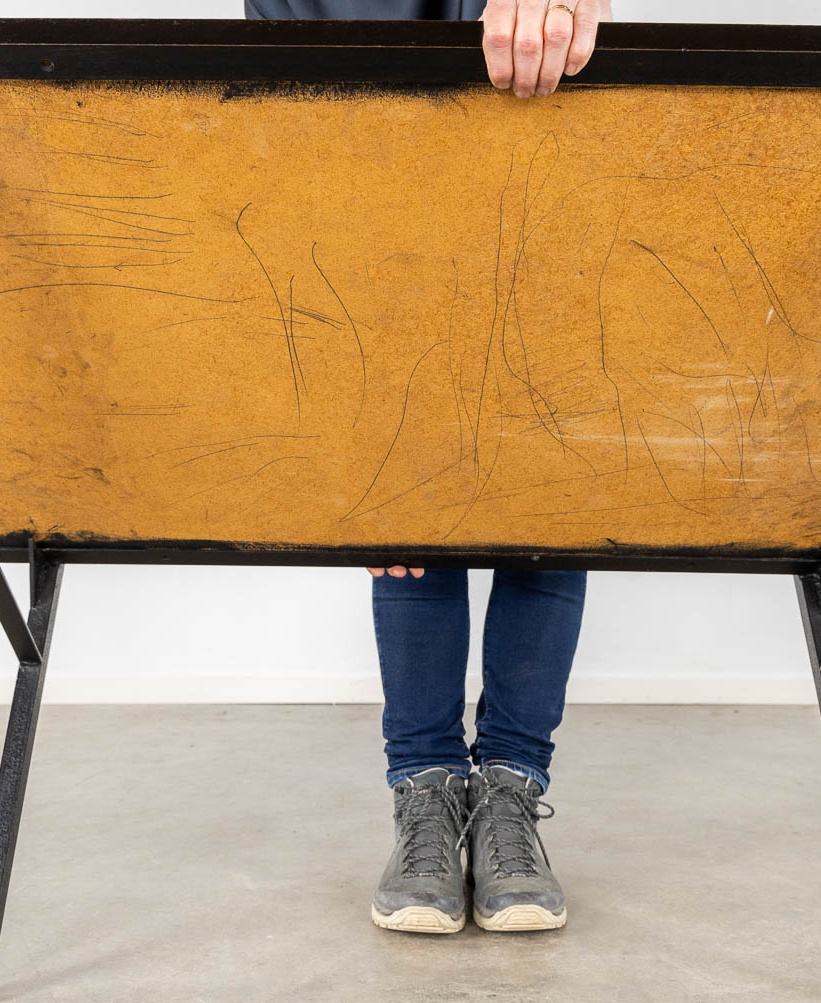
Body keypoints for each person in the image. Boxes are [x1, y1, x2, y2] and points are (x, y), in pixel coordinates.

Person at [245, 0, 611, 933]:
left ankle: (511, 794)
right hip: (377, 216)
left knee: (547, 503)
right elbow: (291, 129)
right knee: (407, 524)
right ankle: (424, 792)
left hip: (550, 171)